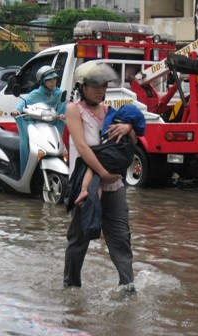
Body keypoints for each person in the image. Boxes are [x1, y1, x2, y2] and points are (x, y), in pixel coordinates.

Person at [63, 61, 137, 294]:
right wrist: (102, 173)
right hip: (87, 181)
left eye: (104, 86)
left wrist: (128, 129)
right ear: (82, 87)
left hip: (115, 184)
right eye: (95, 86)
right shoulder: (74, 109)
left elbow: (131, 143)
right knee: (80, 238)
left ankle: (128, 288)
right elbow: (83, 147)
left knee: (121, 239)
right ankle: (71, 287)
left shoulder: (109, 111)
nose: (100, 90)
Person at [74, 104, 145, 206]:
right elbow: (134, 141)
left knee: (91, 167)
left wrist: (128, 128)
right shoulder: (76, 110)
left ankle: (84, 190)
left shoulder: (111, 119)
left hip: (108, 158)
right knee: (97, 181)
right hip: (121, 161)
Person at [12, 65, 66, 176]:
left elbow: (62, 108)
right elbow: (23, 104)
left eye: (54, 79)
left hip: (52, 126)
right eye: (49, 80)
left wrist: (63, 115)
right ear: (42, 81)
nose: (53, 82)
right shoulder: (35, 94)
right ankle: (25, 173)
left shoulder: (59, 93)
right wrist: (16, 110)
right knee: (26, 144)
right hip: (36, 126)